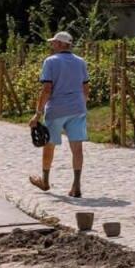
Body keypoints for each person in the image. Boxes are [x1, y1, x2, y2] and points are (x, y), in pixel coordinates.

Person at [29, 31, 90, 198]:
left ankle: (45, 180)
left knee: (48, 144)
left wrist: (37, 114)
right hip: (77, 108)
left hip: (56, 108)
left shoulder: (51, 61)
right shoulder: (81, 62)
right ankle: (76, 185)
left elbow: (47, 89)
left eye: (54, 42)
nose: (52, 45)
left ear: (62, 44)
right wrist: (81, 105)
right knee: (77, 148)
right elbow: (85, 88)